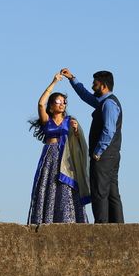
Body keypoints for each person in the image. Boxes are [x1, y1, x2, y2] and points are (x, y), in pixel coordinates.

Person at [60, 68, 124, 223]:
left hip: (104, 155)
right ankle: (118, 227)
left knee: (99, 191)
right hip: (112, 155)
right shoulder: (103, 102)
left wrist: (98, 152)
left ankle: (101, 226)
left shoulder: (108, 104)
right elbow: (85, 96)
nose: (92, 86)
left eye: (94, 84)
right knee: (112, 192)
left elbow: (109, 130)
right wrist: (72, 79)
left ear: (103, 86)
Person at [26, 73, 90, 224]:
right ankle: (46, 219)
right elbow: (41, 104)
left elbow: (78, 140)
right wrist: (54, 82)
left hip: (65, 158)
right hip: (50, 155)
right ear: (51, 105)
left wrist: (75, 130)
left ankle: (69, 220)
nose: (62, 104)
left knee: (66, 189)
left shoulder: (70, 121)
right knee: (49, 187)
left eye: (64, 102)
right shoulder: (46, 120)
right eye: (58, 101)